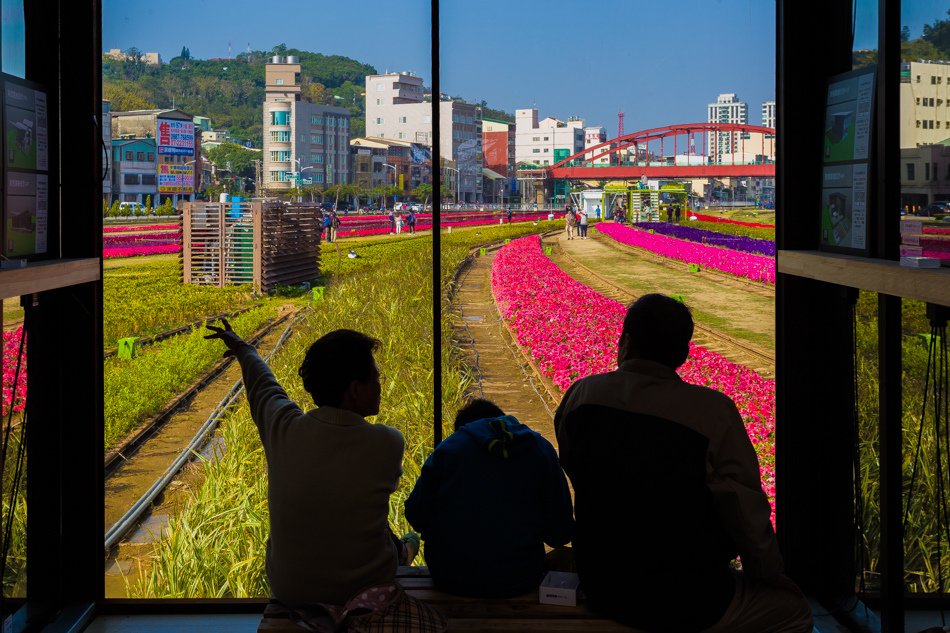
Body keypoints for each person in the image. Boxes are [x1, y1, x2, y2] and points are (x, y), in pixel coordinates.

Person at [553, 295, 812, 633]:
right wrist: (768, 574)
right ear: (683, 354)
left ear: (626, 344)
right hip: (688, 597)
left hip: (602, 582)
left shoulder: (581, 395)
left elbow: (573, 465)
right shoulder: (713, 413)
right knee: (793, 611)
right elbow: (744, 510)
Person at [204, 323, 446, 632]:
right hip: (365, 585)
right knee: (382, 527)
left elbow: (264, 387)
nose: (380, 385)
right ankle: (403, 550)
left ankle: (401, 550)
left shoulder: (283, 428)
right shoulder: (388, 442)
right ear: (356, 389)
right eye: (376, 378)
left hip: (292, 590)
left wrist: (244, 349)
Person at [404, 399, 574, 598]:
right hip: (520, 578)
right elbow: (560, 533)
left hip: (450, 577)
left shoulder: (448, 449)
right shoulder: (539, 448)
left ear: (464, 429)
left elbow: (416, 515)